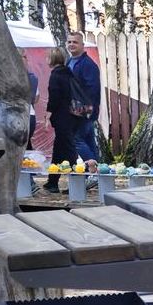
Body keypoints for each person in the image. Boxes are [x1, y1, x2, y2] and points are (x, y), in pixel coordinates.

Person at [45, 47, 79, 190]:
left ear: (52, 59)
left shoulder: (56, 75)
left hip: (61, 117)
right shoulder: (68, 73)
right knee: (59, 150)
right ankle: (52, 181)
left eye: (48, 57)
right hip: (72, 116)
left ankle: (77, 181)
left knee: (69, 149)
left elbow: (54, 97)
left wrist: (48, 115)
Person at [65, 31, 101, 161]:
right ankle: (98, 170)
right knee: (88, 140)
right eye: (69, 42)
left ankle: (92, 168)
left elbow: (93, 90)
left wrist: (86, 110)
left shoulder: (88, 65)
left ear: (82, 45)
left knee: (76, 139)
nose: (71, 44)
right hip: (73, 110)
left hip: (84, 111)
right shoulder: (69, 61)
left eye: (75, 42)